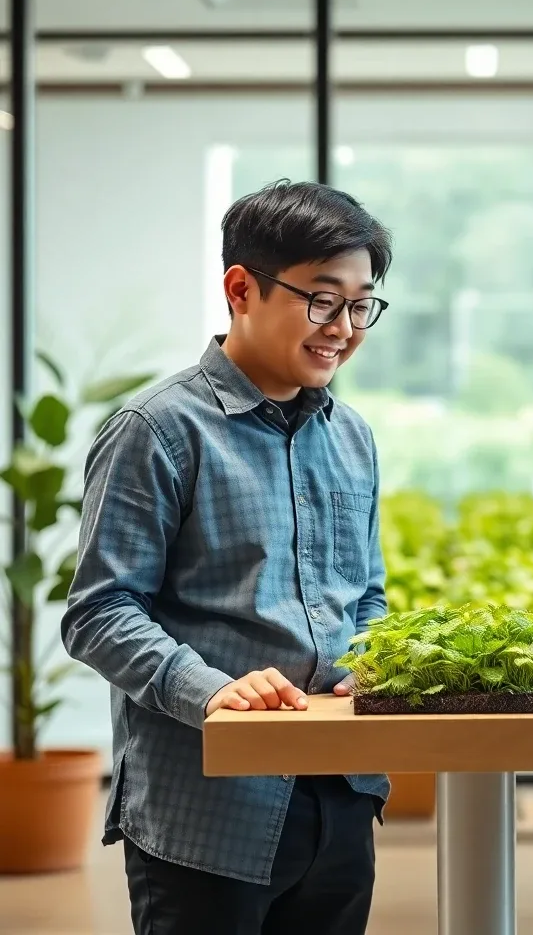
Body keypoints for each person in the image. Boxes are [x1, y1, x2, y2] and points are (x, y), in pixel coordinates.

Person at [61, 180, 394, 935]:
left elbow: (366, 596)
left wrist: (368, 659)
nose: (342, 328)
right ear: (241, 289)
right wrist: (212, 691)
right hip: (210, 805)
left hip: (342, 791)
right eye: (321, 300)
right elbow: (99, 612)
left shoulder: (353, 435)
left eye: (360, 304)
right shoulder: (156, 428)